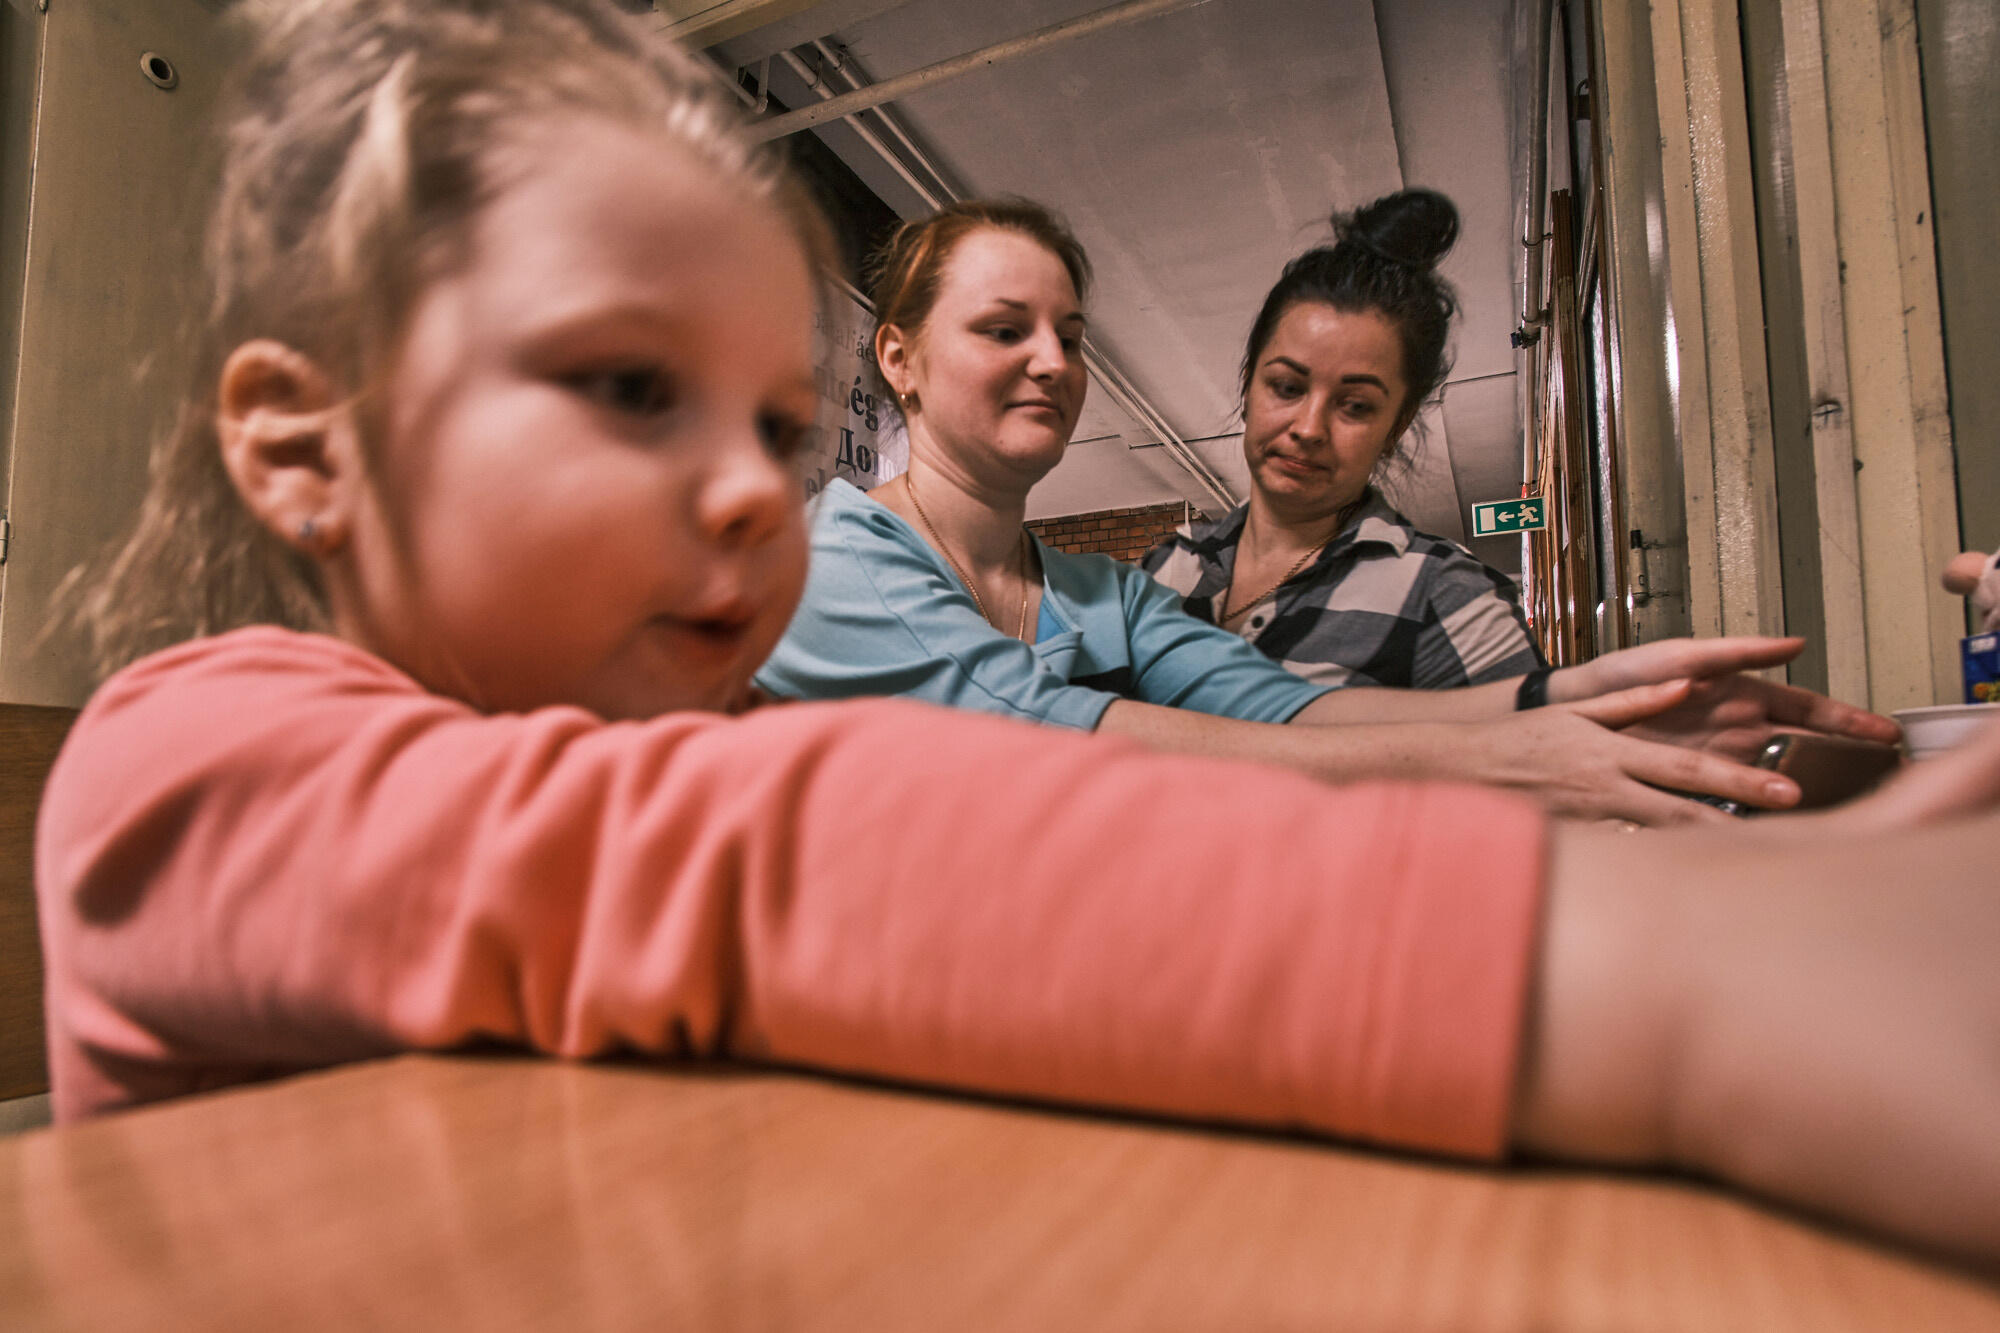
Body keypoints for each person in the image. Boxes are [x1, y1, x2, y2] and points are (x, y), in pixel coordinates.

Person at [35, 0, 2000, 1268]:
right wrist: (1645, 968)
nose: (752, 494)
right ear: (308, 444)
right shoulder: (192, 755)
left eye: (779, 429)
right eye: (630, 389)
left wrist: (1576, 729)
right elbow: (768, 858)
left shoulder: (822, 679)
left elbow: (1261, 716)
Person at [753, 199, 1894, 826]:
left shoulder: (1101, 592)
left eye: (1071, 335)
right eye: (1004, 330)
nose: (1052, 361)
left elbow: (1282, 708)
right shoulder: (832, 559)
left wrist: (1575, 698)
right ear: (897, 359)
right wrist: (1499, 760)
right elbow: (1045, 731)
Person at [1143, 188, 1542, 692]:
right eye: (1287, 387)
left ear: (1396, 425)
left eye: (1355, 406)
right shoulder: (1169, 565)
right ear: (1248, 387)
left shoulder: (1449, 599)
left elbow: (1538, 737)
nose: (1309, 428)